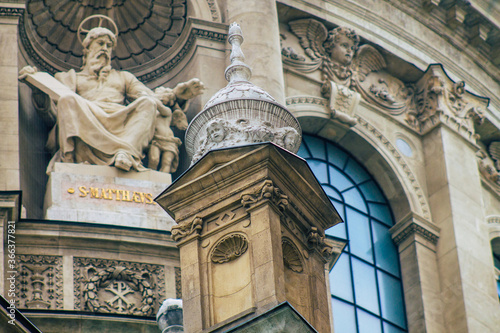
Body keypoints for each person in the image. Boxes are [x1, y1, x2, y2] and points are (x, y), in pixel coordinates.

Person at [21, 26, 203, 173]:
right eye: (100, 43)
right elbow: (54, 116)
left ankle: (126, 153)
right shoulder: (68, 78)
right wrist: (38, 91)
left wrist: (177, 95)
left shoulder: (124, 77)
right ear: (87, 49)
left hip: (120, 120)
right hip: (86, 116)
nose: (105, 49)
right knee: (68, 100)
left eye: (108, 46)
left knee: (147, 103)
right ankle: (71, 160)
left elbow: (149, 96)